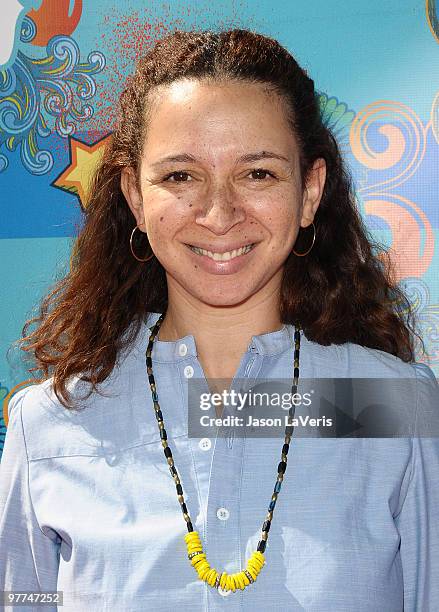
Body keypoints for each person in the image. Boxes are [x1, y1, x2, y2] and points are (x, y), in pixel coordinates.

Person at [0, 28, 438, 612]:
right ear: (134, 194)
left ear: (310, 191)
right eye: (180, 176)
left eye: (258, 174)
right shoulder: (52, 425)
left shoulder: (393, 406)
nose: (219, 213)